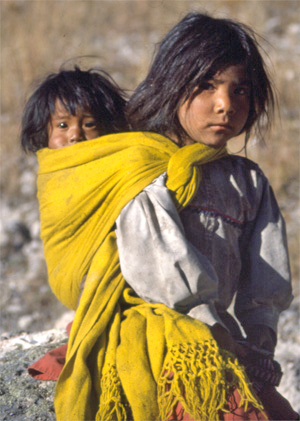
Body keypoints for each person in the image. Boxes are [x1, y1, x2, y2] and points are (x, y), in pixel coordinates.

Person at [31, 14, 298, 421]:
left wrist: (259, 342)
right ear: (173, 84)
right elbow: (163, 274)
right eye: (206, 86)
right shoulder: (144, 165)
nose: (225, 104)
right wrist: (221, 336)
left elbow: (266, 277)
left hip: (223, 338)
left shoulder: (249, 182)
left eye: (239, 89)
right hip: (160, 331)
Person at [20, 66, 128, 152]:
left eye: (89, 124)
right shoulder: (48, 176)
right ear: (43, 133)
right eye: (63, 125)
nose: (76, 135)